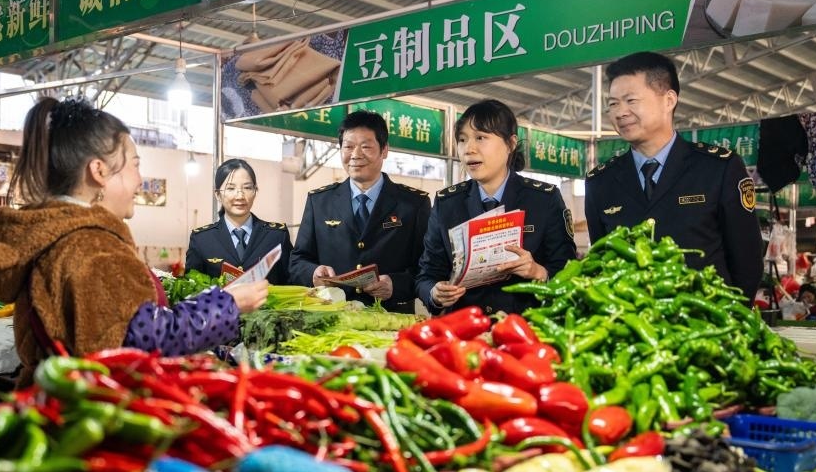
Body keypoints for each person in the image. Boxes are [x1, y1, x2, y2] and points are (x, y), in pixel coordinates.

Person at [0, 97, 267, 384]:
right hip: (99, 411)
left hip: (61, 404)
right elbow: (145, 341)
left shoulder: (51, 235)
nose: (140, 180)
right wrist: (226, 305)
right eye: (135, 165)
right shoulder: (92, 247)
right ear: (99, 171)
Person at [584, 51, 763, 301]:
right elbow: (602, 261)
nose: (620, 112)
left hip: (705, 327)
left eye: (631, 100)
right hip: (633, 330)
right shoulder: (600, 182)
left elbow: (747, 260)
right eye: (613, 103)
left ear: (668, 101)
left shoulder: (719, 168)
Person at [416, 99, 577, 315]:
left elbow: (569, 272)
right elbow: (426, 275)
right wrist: (435, 293)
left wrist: (538, 272)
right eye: (462, 140)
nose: (468, 149)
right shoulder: (447, 204)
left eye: (481, 138)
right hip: (464, 331)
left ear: (510, 144)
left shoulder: (543, 199)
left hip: (526, 329)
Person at [289, 110, 432, 313]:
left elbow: (428, 267)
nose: (355, 155)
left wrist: (395, 284)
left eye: (366, 147)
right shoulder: (319, 202)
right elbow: (297, 261)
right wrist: (314, 273)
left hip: (391, 319)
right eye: (348, 147)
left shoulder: (413, 204)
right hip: (331, 317)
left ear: (384, 150)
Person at [185, 159, 292, 284]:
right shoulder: (201, 240)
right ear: (218, 195)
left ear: (255, 191)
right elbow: (190, 290)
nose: (240, 196)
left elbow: (293, 280)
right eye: (231, 188)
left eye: (247, 188)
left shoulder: (277, 236)